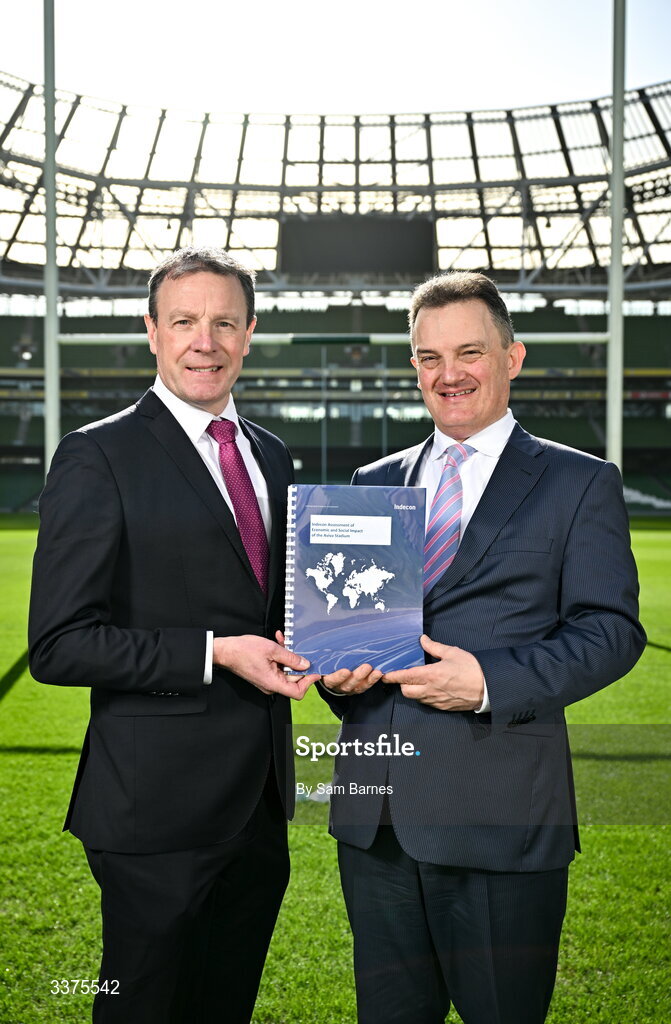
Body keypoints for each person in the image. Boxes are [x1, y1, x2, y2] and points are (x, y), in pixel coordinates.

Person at [318, 271, 646, 1024]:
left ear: (512, 356)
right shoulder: (374, 482)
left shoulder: (578, 482)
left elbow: (610, 631)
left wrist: (489, 681)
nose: (448, 374)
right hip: (377, 825)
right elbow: (355, 638)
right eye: (428, 358)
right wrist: (338, 672)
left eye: (468, 351)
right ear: (413, 369)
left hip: (500, 817)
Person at [28, 247, 318, 1024]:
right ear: (152, 331)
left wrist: (329, 640)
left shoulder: (269, 454)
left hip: (256, 805)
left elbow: (272, 610)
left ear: (249, 333)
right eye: (185, 321)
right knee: (139, 1006)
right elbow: (60, 643)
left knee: (223, 1006)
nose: (205, 341)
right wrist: (215, 653)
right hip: (152, 811)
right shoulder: (99, 454)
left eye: (224, 322)